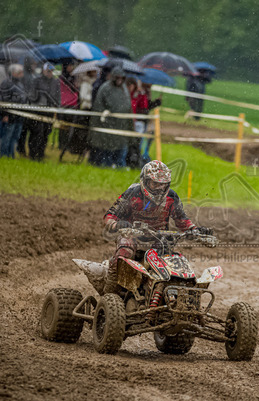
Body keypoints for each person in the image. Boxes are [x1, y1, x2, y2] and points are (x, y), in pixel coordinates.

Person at [102, 160, 212, 297]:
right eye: (155, 184)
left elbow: (182, 220)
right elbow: (110, 216)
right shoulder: (133, 194)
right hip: (132, 235)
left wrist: (196, 230)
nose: (159, 188)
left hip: (159, 239)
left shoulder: (171, 197)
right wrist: (117, 224)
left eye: (163, 184)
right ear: (145, 181)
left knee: (174, 260)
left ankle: (168, 293)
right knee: (125, 250)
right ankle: (111, 291)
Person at [90, 66, 133, 168]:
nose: (119, 80)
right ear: (113, 77)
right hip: (108, 125)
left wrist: (129, 121)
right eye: (117, 77)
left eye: (121, 78)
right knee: (107, 148)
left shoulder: (124, 89)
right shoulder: (105, 88)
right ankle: (107, 165)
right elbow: (98, 106)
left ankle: (119, 166)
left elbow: (128, 106)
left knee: (121, 148)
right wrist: (103, 117)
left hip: (122, 125)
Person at [28, 63, 60, 161]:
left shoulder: (55, 82)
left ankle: (41, 154)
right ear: (43, 71)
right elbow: (32, 95)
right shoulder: (37, 81)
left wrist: (56, 106)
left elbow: (57, 96)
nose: (50, 73)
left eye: (51, 71)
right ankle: (33, 153)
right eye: (48, 71)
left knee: (46, 133)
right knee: (36, 133)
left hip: (49, 112)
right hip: (38, 111)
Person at [0, 64, 28, 158]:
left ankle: (11, 155)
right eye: (20, 72)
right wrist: (4, 114)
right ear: (13, 73)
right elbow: (3, 100)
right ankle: (4, 155)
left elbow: (23, 98)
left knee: (15, 137)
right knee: (7, 136)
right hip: (9, 115)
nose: (22, 74)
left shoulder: (20, 84)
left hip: (19, 116)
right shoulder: (6, 83)